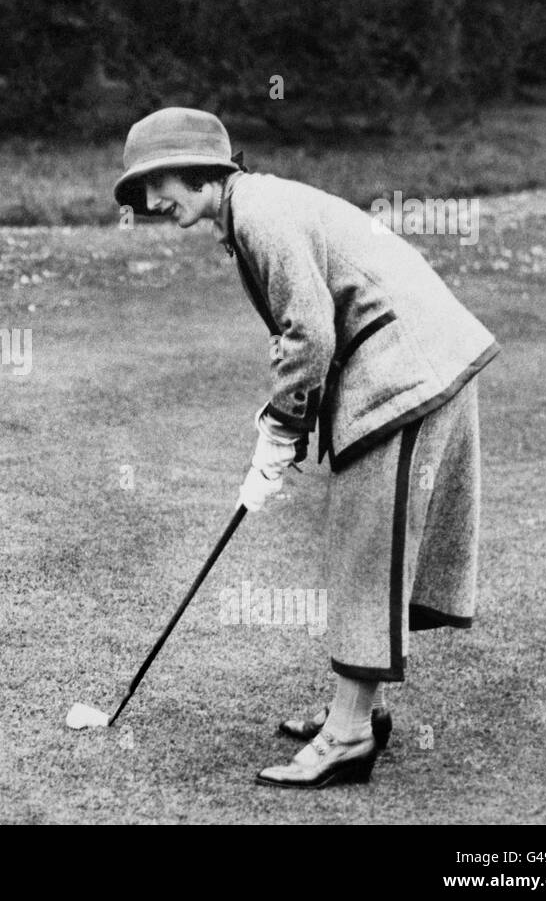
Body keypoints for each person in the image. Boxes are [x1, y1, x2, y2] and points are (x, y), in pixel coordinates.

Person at [113, 108, 498, 788]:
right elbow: (309, 327)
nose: (148, 202)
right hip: (411, 361)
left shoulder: (259, 213)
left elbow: (309, 334)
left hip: (407, 369)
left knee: (364, 545)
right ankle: (359, 709)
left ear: (200, 170)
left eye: (154, 181)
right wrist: (283, 429)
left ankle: (348, 733)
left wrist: (281, 429)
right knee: (365, 545)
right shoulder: (252, 208)